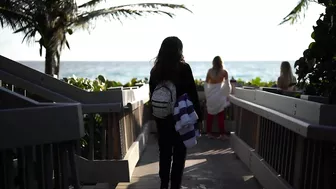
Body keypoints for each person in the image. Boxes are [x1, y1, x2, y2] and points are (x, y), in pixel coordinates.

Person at [149, 36, 202, 189]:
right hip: (181, 118)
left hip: (162, 119)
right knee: (179, 154)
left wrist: (156, 115)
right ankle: (175, 186)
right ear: (179, 50)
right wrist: (199, 117)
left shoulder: (155, 71)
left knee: (164, 153)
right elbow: (192, 93)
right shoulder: (184, 68)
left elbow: (152, 95)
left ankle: (163, 185)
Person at [204, 56, 230, 140]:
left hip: (211, 95)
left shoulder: (209, 71)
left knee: (210, 115)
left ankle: (209, 133)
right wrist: (226, 94)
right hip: (220, 96)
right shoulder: (224, 72)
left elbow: (206, 84)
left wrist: (208, 95)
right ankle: (222, 134)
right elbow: (227, 85)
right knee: (221, 115)